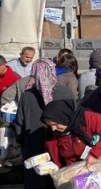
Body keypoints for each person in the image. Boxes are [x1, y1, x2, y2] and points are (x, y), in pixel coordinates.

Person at [14, 59, 74, 189]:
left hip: (34, 148)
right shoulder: (65, 92)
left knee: (36, 182)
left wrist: (22, 142)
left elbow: (19, 124)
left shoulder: (27, 95)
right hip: (61, 146)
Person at [42, 99, 101, 167]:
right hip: (78, 172)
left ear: (63, 117)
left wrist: (94, 155)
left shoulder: (86, 118)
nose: (53, 129)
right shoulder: (58, 134)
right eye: (50, 126)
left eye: (55, 124)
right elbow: (59, 156)